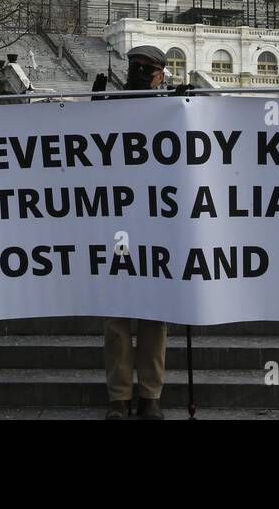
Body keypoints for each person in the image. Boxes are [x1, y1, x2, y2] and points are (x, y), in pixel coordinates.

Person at [98, 44, 170, 420]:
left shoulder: (174, 110)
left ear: (161, 73)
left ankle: (150, 395)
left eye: (148, 68)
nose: (140, 72)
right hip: (118, 225)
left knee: (155, 318)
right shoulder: (111, 106)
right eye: (135, 66)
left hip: (158, 225)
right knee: (117, 319)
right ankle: (119, 397)